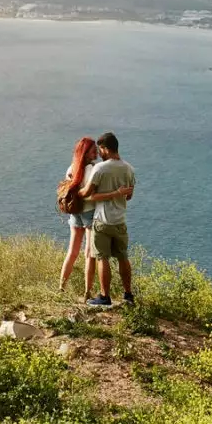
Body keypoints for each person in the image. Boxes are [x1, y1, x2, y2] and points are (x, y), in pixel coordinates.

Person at [79, 131, 136, 307]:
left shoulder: (100, 168)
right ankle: (128, 295)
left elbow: (87, 194)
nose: (99, 153)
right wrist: (116, 194)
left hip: (102, 221)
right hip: (120, 221)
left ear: (105, 148)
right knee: (123, 257)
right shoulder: (129, 168)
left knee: (102, 258)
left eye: (100, 149)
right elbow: (129, 197)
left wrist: (75, 190)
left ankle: (105, 297)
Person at [59, 136, 99, 296]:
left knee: (72, 251)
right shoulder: (92, 170)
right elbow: (91, 194)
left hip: (75, 213)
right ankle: (87, 291)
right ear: (86, 153)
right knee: (89, 253)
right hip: (89, 213)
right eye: (93, 149)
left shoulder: (71, 168)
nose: (96, 151)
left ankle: (61, 287)